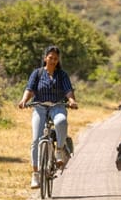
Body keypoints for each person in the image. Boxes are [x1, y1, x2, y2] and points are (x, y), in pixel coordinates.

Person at [18, 45, 79, 189]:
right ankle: (35, 175)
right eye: (50, 58)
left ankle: (59, 150)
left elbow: (68, 90)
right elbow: (30, 89)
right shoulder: (37, 73)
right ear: (45, 58)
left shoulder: (62, 75)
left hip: (57, 106)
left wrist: (71, 101)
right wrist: (23, 101)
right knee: (36, 139)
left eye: (55, 59)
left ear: (58, 61)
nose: (52, 61)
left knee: (61, 121)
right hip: (39, 107)